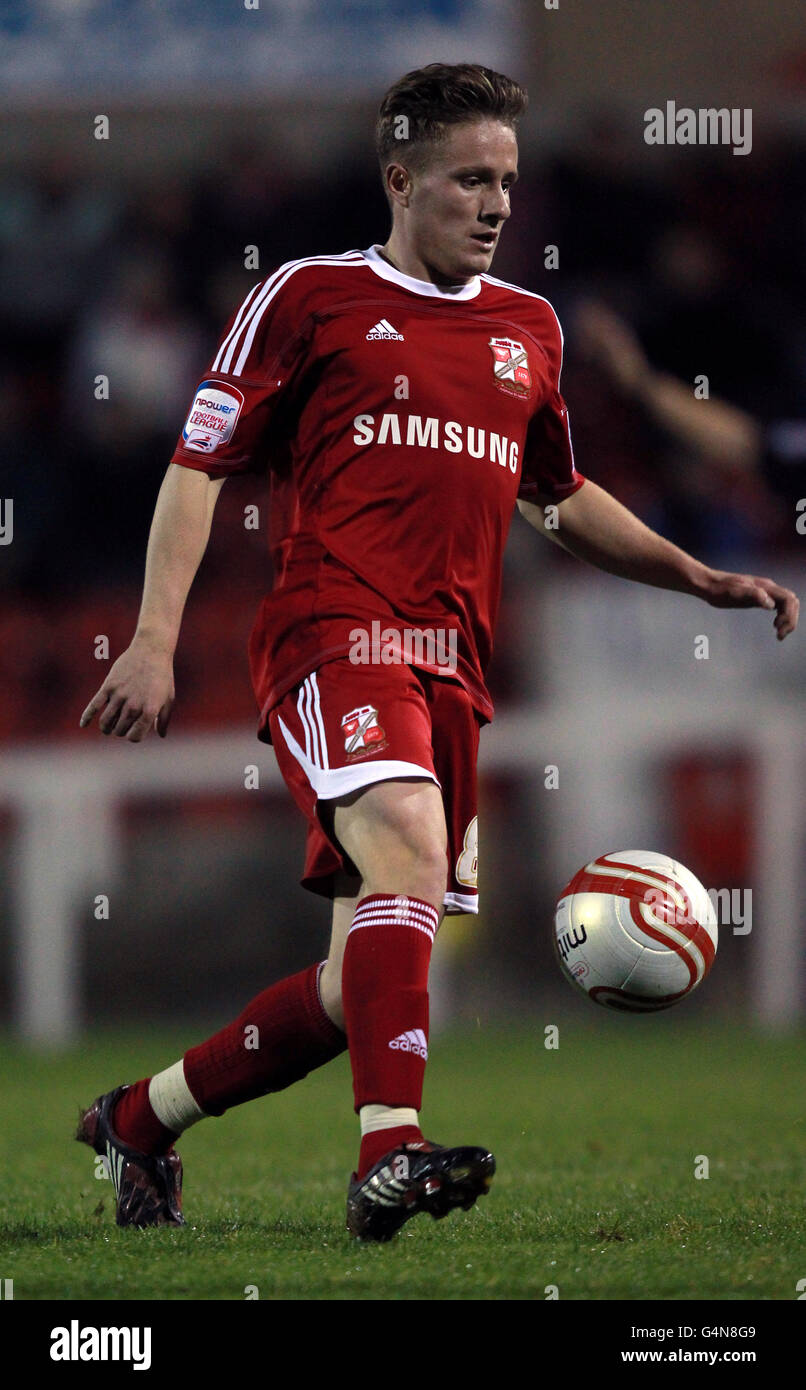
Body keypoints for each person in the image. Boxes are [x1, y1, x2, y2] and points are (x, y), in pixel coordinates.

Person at [77, 63, 799, 1242]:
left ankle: (139, 1119)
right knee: (409, 847)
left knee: (354, 979)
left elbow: (556, 501)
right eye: (470, 178)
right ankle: (389, 1153)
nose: (498, 203)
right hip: (331, 632)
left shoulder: (529, 331)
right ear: (400, 180)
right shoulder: (309, 297)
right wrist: (153, 639)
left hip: (451, 667)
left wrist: (693, 572)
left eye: (508, 180)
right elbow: (196, 463)